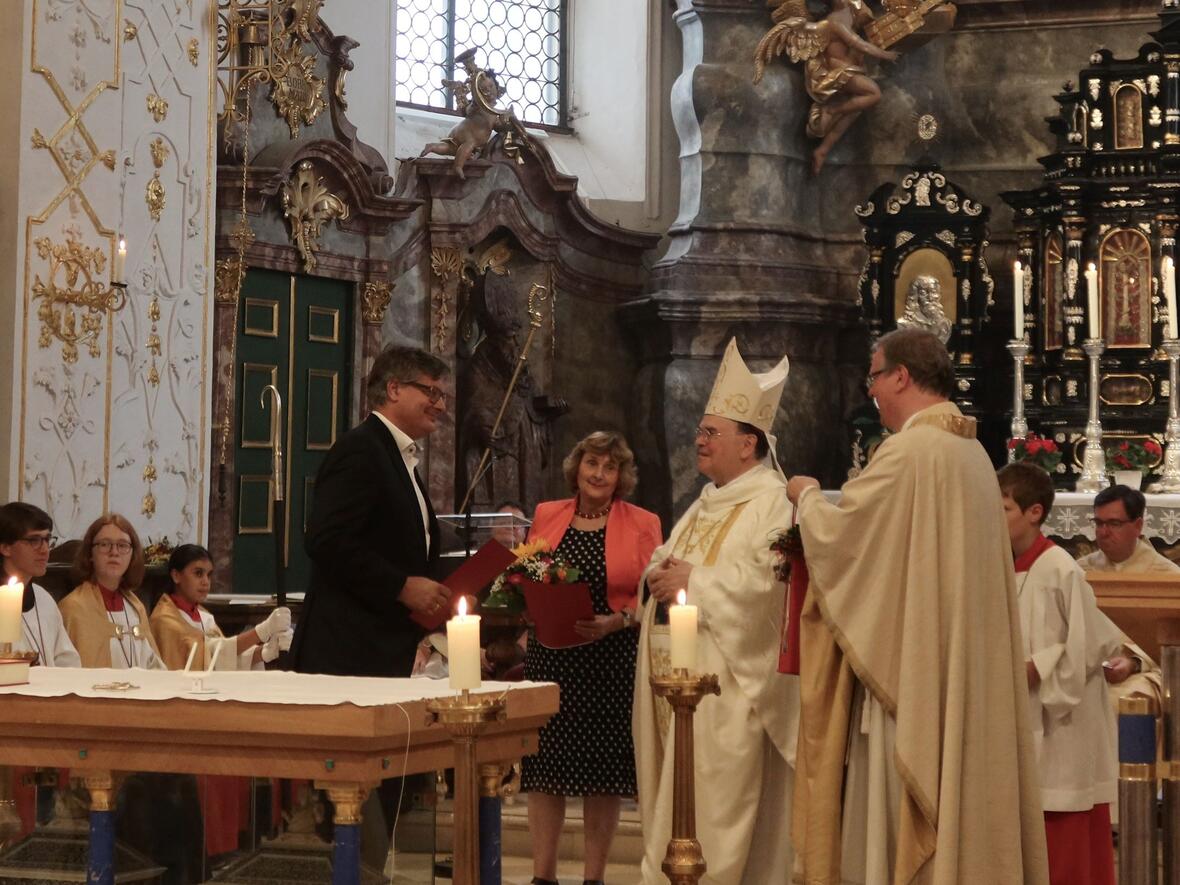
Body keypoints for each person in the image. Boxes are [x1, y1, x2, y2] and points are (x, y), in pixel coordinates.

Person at [787, 328, 1048, 884]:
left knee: (892, 819)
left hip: (913, 679)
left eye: (875, 377)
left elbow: (844, 540)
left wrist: (806, 497)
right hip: (961, 674)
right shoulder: (971, 452)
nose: (872, 391)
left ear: (901, 376)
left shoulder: (908, 451)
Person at [634, 338, 797, 885]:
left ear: (748, 444)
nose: (698, 441)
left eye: (711, 433)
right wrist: (655, 574)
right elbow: (671, 558)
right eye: (701, 431)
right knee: (677, 798)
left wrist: (693, 581)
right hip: (675, 686)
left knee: (717, 802)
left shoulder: (773, 502)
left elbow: (768, 589)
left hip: (727, 689)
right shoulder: (709, 499)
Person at [522, 431, 661, 885]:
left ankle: (594, 877)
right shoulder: (547, 514)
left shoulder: (643, 522)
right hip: (552, 656)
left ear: (621, 476)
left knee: (604, 774)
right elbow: (529, 573)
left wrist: (616, 621)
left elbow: (653, 598)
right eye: (592, 464)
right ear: (576, 468)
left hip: (610, 659)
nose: (599, 474)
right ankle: (543, 875)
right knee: (546, 769)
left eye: (609, 466)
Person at [290, 345, 452, 679]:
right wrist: (401, 586)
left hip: (382, 646)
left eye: (443, 395)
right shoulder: (361, 450)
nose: (441, 405)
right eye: (431, 392)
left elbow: (395, 547)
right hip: (346, 652)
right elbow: (326, 540)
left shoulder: (397, 456)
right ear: (394, 389)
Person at [997, 462, 1118, 885]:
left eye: (1005, 509)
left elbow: (1090, 646)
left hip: (1061, 721)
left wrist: (1040, 665)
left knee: (1063, 830)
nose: (996, 518)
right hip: (1020, 713)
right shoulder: (999, 567)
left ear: (1034, 513)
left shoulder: (1061, 568)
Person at [150, 544, 291, 670]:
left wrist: (264, 652)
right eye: (198, 573)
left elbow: (222, 659)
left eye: (209, 575)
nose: (206, 582)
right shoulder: (164, 620)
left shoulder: (204, 616)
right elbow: (207, 653)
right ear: (176, 576)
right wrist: (263, 631)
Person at [60, 514, 163, 670]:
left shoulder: (136, 607)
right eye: (104, 544)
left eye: (122, 545)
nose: (114, 552)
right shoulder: (73, 608)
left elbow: (152, 664)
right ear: (90, 554)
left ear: (132, 555)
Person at [0, 502, 80, 667]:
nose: (45, 550)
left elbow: (67, 661)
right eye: (34, 540)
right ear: (5, 547)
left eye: (47, 540)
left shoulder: (44, 599)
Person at [1076, 484, 1180, 573]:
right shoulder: (1081, 570)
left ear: (1137, 526)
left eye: (1114, 523)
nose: (1104, 532)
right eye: (1099, 523)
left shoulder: (1168, 574)